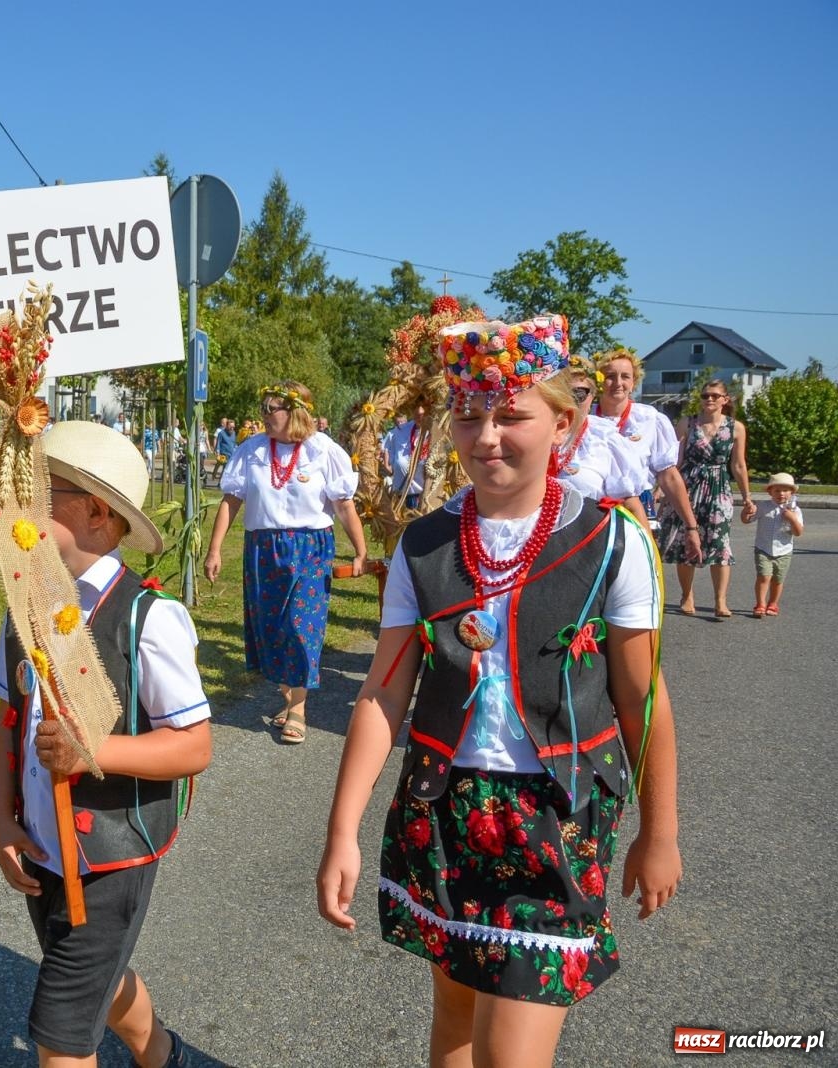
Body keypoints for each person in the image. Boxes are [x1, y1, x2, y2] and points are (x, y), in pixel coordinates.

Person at [317, 315, 681, 1068]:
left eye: (511, 414)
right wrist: (341, 830)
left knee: (509, 1054)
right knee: (454, 1007)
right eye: (469, 415)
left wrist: (660, 830)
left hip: (558, 814)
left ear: (564, 422)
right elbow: (384, 697)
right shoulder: (423, 545)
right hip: (443, 808)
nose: (486, 437)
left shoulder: (613, 543)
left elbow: (642, 700)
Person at [0, 420, 211, 1068]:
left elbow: (193, 746)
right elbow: (8, 718)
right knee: (98, 985)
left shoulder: (150, 617)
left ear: (94, 512)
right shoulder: (23, 604)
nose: (18, 508)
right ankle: (164, 1054)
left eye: (40, 494)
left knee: (60, 1034)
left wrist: (96, 750)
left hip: (112, 855)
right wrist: (1, 816)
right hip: (42, 846)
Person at [204, 382, 368, 743]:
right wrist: (215, 549)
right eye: (262, 407)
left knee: (301, 625)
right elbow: (231, 501)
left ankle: (298, 709)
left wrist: (360, 550)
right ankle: (288, 695)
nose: (264, 414)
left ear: (294, 412)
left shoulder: (323, 451)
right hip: (263, 548)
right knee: (271, 628)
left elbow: (343, 505)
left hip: (310, 547)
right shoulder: (252, 451)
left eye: (271, 408)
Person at [592, 350, 702, 562]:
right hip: (593, 508)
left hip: (637, 506)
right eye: (610, 376)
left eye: (625, 376)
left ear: (634, 382)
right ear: (598, 381)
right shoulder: (584, 418)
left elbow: (668, 476)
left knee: (640, 570)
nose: (618, 383)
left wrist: (691, 526)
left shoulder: (649, 419)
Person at [657, 379, 752, 618]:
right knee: (685, 542)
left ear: (725, 400)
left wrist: (747, 498)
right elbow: (674, 461)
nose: (709, 399)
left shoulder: (735, 427)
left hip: (719, 487)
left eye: (714, 395)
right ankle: (686, 595)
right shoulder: (686, 424)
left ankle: (720, 600)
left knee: (720, 544)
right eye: (704, 395)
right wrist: (662, 490)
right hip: (688, 486)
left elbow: (738, 465)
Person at [554, 358, 647, 517]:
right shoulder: (537, 434)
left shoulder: (605, 438)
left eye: (579, 393)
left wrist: (649, 541)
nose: (571, 400)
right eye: (564, 393)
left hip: (586, 536)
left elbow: (631, 504)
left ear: (592, 395)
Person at [744, 471, 804, 619]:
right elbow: (747, 520)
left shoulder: (795, 510)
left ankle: (773, 603)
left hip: (784, 551)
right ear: (770, 492)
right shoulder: (763, 506)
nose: (781, 493)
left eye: (785, 490)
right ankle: (760, 604)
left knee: (778, 580)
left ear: (791, 492)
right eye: (777, 490)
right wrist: (746, 511)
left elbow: (798, 532)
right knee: (764, 577)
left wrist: (792, 519)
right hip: (763, 549)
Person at [380, 404, 429, 510]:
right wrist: (387, 466)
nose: (420, 411)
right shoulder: (399, 432)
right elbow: (383, 452)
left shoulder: (437, 430)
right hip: (401, 497)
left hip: (426, 498)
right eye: (416, 404)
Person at [212, 418, 237, 483]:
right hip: (223, 454)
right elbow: (218, 443)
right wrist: (217, 451)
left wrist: (236, 449)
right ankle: (216, 476)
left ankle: (220, 482)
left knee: (226, 469)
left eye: (233, 427)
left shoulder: (234, 433)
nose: (232, 428)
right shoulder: (221, 433)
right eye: (230, 427)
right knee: (221, 466)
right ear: (227, 425)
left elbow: (234, 443)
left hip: (231, 454)